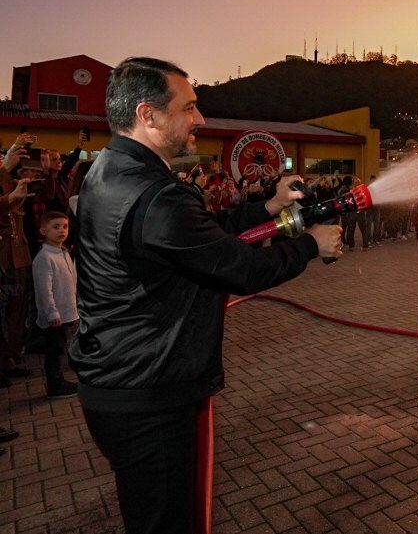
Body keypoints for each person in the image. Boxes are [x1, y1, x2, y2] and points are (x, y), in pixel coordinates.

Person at [68, 57, 341, 534]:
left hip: (121, 381)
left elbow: (201, 233)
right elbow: (242, 268)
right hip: (148, 394)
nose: (200, 118)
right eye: (189, 107)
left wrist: (268, 206)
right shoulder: (156, 195)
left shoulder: (111, 169)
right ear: (148, 115)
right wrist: (309, 246)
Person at [32, 211, 79, 399]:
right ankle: (55, 384)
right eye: (56, 227)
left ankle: (60, 381)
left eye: (65, 227)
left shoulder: (64, 253)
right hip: (56, 315)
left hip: (66, 310)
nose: (62, 231)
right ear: (43, 231)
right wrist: (52, 312)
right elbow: (44, 289)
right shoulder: (44, 257)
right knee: (54, 350)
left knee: (60, 346)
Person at [0, 140, 35, 380]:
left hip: (18, 254)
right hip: (3, 257)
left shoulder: (7, 178)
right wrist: (5, 169)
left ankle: (10, 359)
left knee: (18, 311)